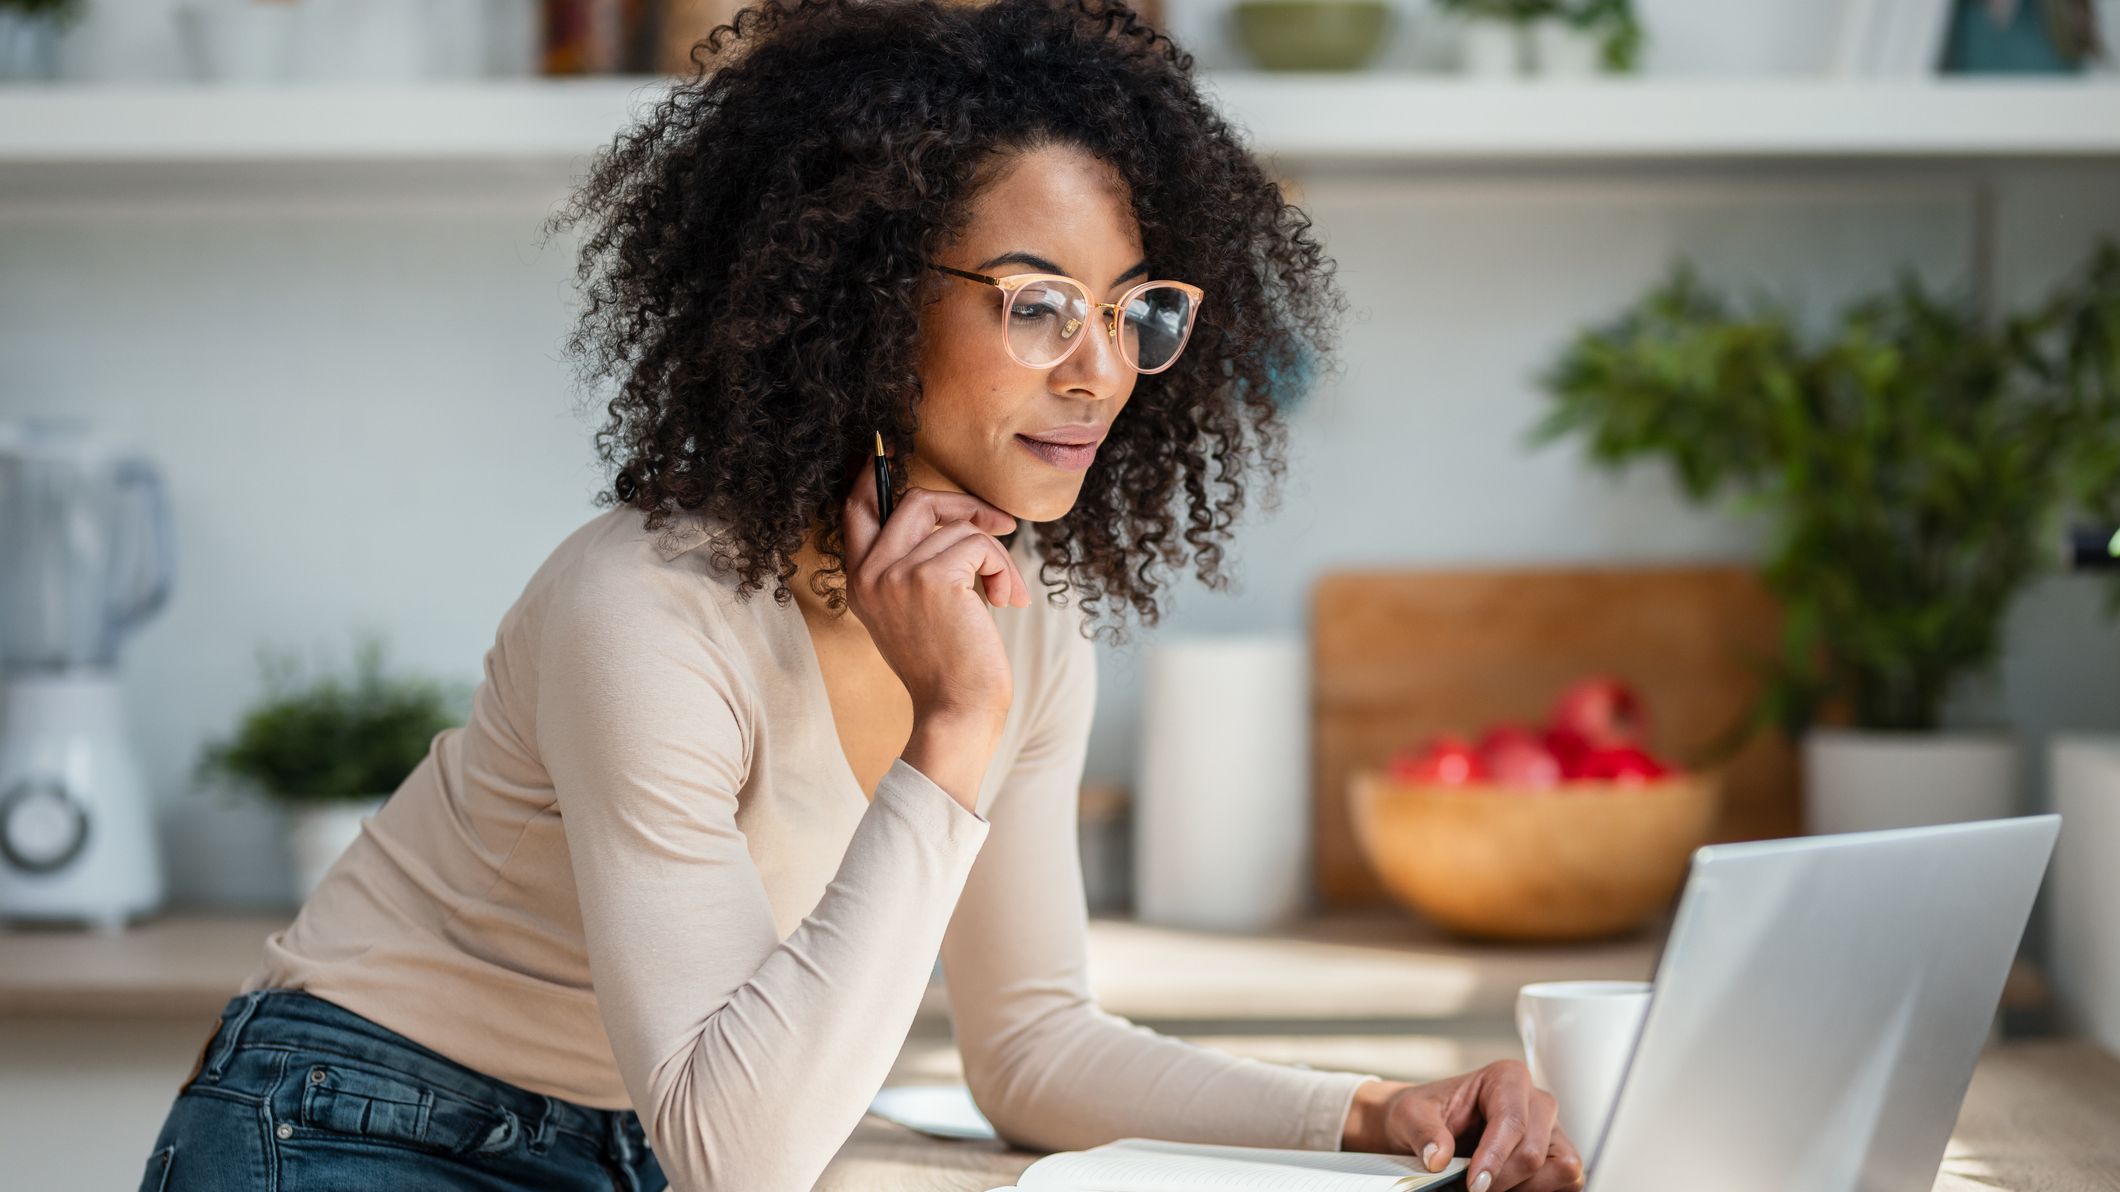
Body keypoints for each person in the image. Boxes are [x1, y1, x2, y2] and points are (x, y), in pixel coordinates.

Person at [135, 2, 1585, 1190]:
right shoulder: (645, 608)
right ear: (869, 298)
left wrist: (1372, 1111)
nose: (1099, 373)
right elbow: (738, 1153)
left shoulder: (1029, 614)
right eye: (1035, 305)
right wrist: (953, 732)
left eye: (1132, 309)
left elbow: (1027, 1049)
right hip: (353, 1124)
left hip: (640, 1149)